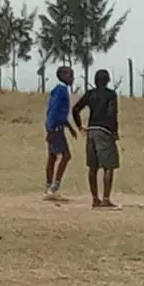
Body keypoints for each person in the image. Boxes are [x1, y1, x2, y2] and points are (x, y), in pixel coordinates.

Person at [72, 69, 120, 209]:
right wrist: (115, 131)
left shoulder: (90, 94)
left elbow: (75, 109)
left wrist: (80, 126)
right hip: (105, 130)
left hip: (91, 130)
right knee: (109, 166)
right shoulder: (111, 95)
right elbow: (112, 113)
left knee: (92, 167)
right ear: (108, 81)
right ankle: (106, 198)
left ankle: (95, 199)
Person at [43, 66, 77, 200]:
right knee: (66, 156)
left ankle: (48, 187)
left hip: (57, 126)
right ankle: (53, 187)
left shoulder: (60, 90)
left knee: (53, 156)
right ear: (62, 76)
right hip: (56, 128)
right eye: (70, 75)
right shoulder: (61, 91)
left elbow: (60, 113)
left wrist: (70, 127)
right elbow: (53, 110)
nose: (73, 78)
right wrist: (51, 129)